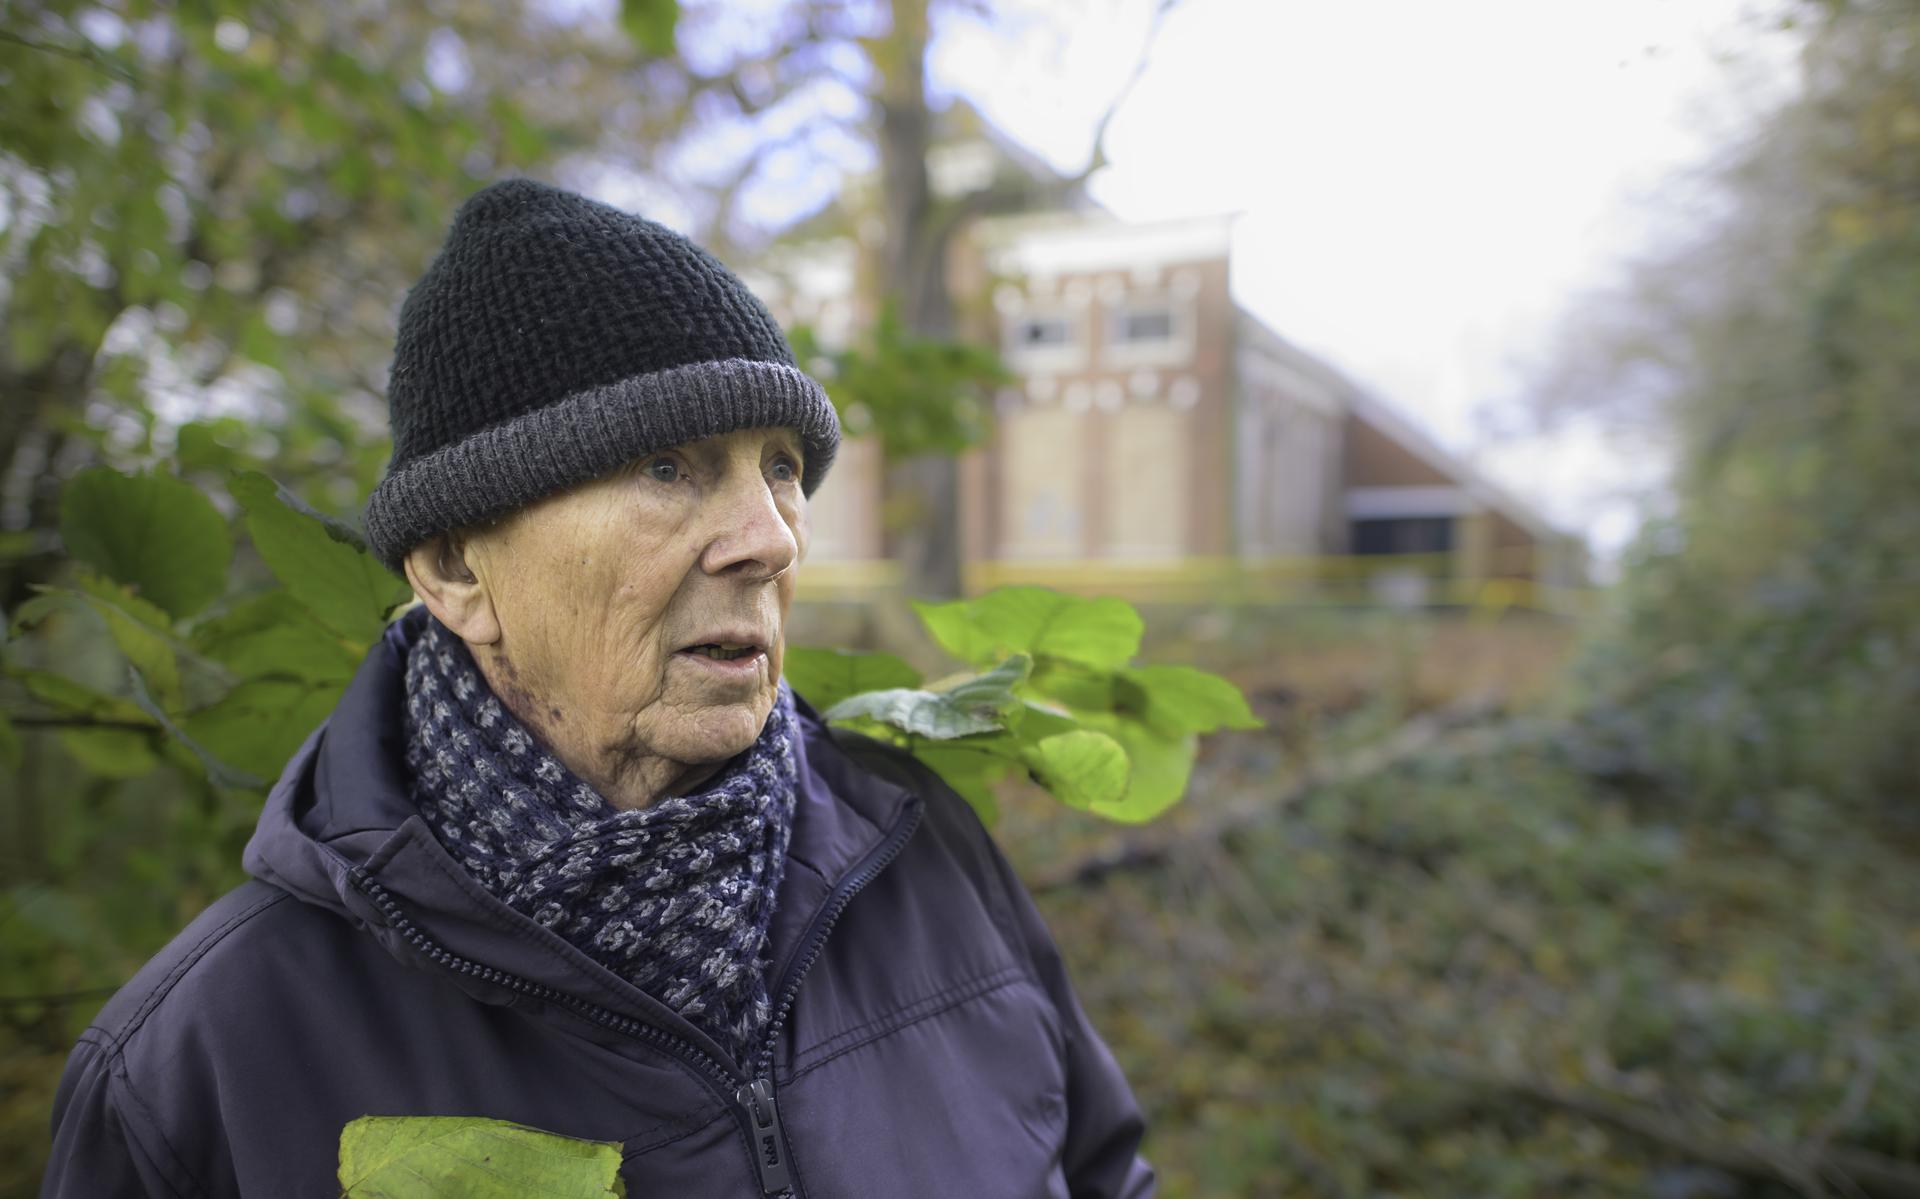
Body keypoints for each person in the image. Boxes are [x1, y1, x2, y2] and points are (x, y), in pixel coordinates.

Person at [41, 179, 1154, 1197]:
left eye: (779, 466)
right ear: (456, 568)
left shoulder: (919, 853)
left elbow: (1107, 1172)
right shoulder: (205, 1058)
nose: (769, 539)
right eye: (668, 467)